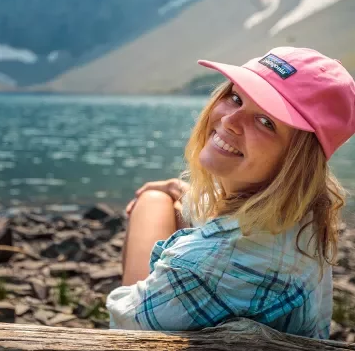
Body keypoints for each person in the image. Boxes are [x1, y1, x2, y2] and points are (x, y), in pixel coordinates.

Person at [105, 47, 355, 339]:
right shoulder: (305, 213)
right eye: (235, 98)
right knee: (164, 199)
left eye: (266, 122)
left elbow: (125, 323)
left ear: (297, 160)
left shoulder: (215, 264)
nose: (229, 121)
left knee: (152, 202)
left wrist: (151, 208)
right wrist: (182, 191)